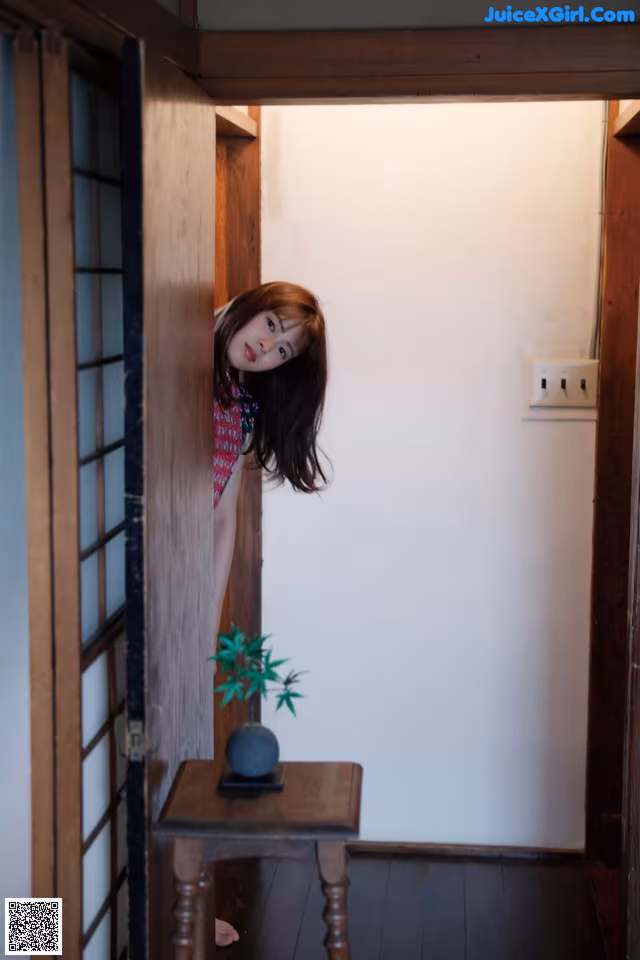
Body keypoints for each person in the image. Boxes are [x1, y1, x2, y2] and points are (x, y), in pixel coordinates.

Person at [211, 281, 329, 947]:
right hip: (76, 579)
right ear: (252, 305)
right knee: (54, 787)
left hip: (158, 589)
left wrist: (203, 620)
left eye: (284, 349)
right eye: (272, 325)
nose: (267, 346)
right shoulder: (177, 348)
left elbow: (221, 518)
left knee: (149, 765)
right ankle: (35, 944)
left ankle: (168, 909)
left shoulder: (242, 404)